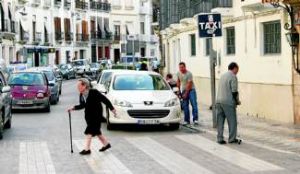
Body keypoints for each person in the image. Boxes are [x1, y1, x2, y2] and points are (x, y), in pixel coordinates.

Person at [68, 78, 117, 155]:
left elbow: (104, 99)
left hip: (96, 115)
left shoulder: (94, 92)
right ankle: (106, 144)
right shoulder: (81, 95)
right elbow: (82, 105)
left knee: (89, 131)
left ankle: (87, 149)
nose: (77, 87)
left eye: (79, 85)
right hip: (89, 116)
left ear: (84, 86)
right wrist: (73, 108)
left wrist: (112, 108)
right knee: (97, 132)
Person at [216, 62, 241, 145]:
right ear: (234, 68)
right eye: (237, 69)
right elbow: (234, 91)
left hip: (219, 101)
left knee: (220, 121)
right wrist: (237, 101)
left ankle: (219, 138)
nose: (237, 71)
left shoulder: (222, 76)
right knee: (232, 121)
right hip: (228, 102)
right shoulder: (233, 76)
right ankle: (232, 138)